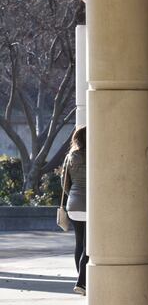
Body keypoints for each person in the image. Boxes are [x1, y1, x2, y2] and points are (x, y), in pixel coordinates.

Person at [61, 126, 88, 296]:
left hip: (74, 205)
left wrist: (72, 196)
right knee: (89, 245)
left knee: (79, 243)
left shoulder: (71, 156)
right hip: (91, 205)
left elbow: (65, 183)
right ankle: (82, 282)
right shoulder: (97, 155)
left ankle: (81, 279)